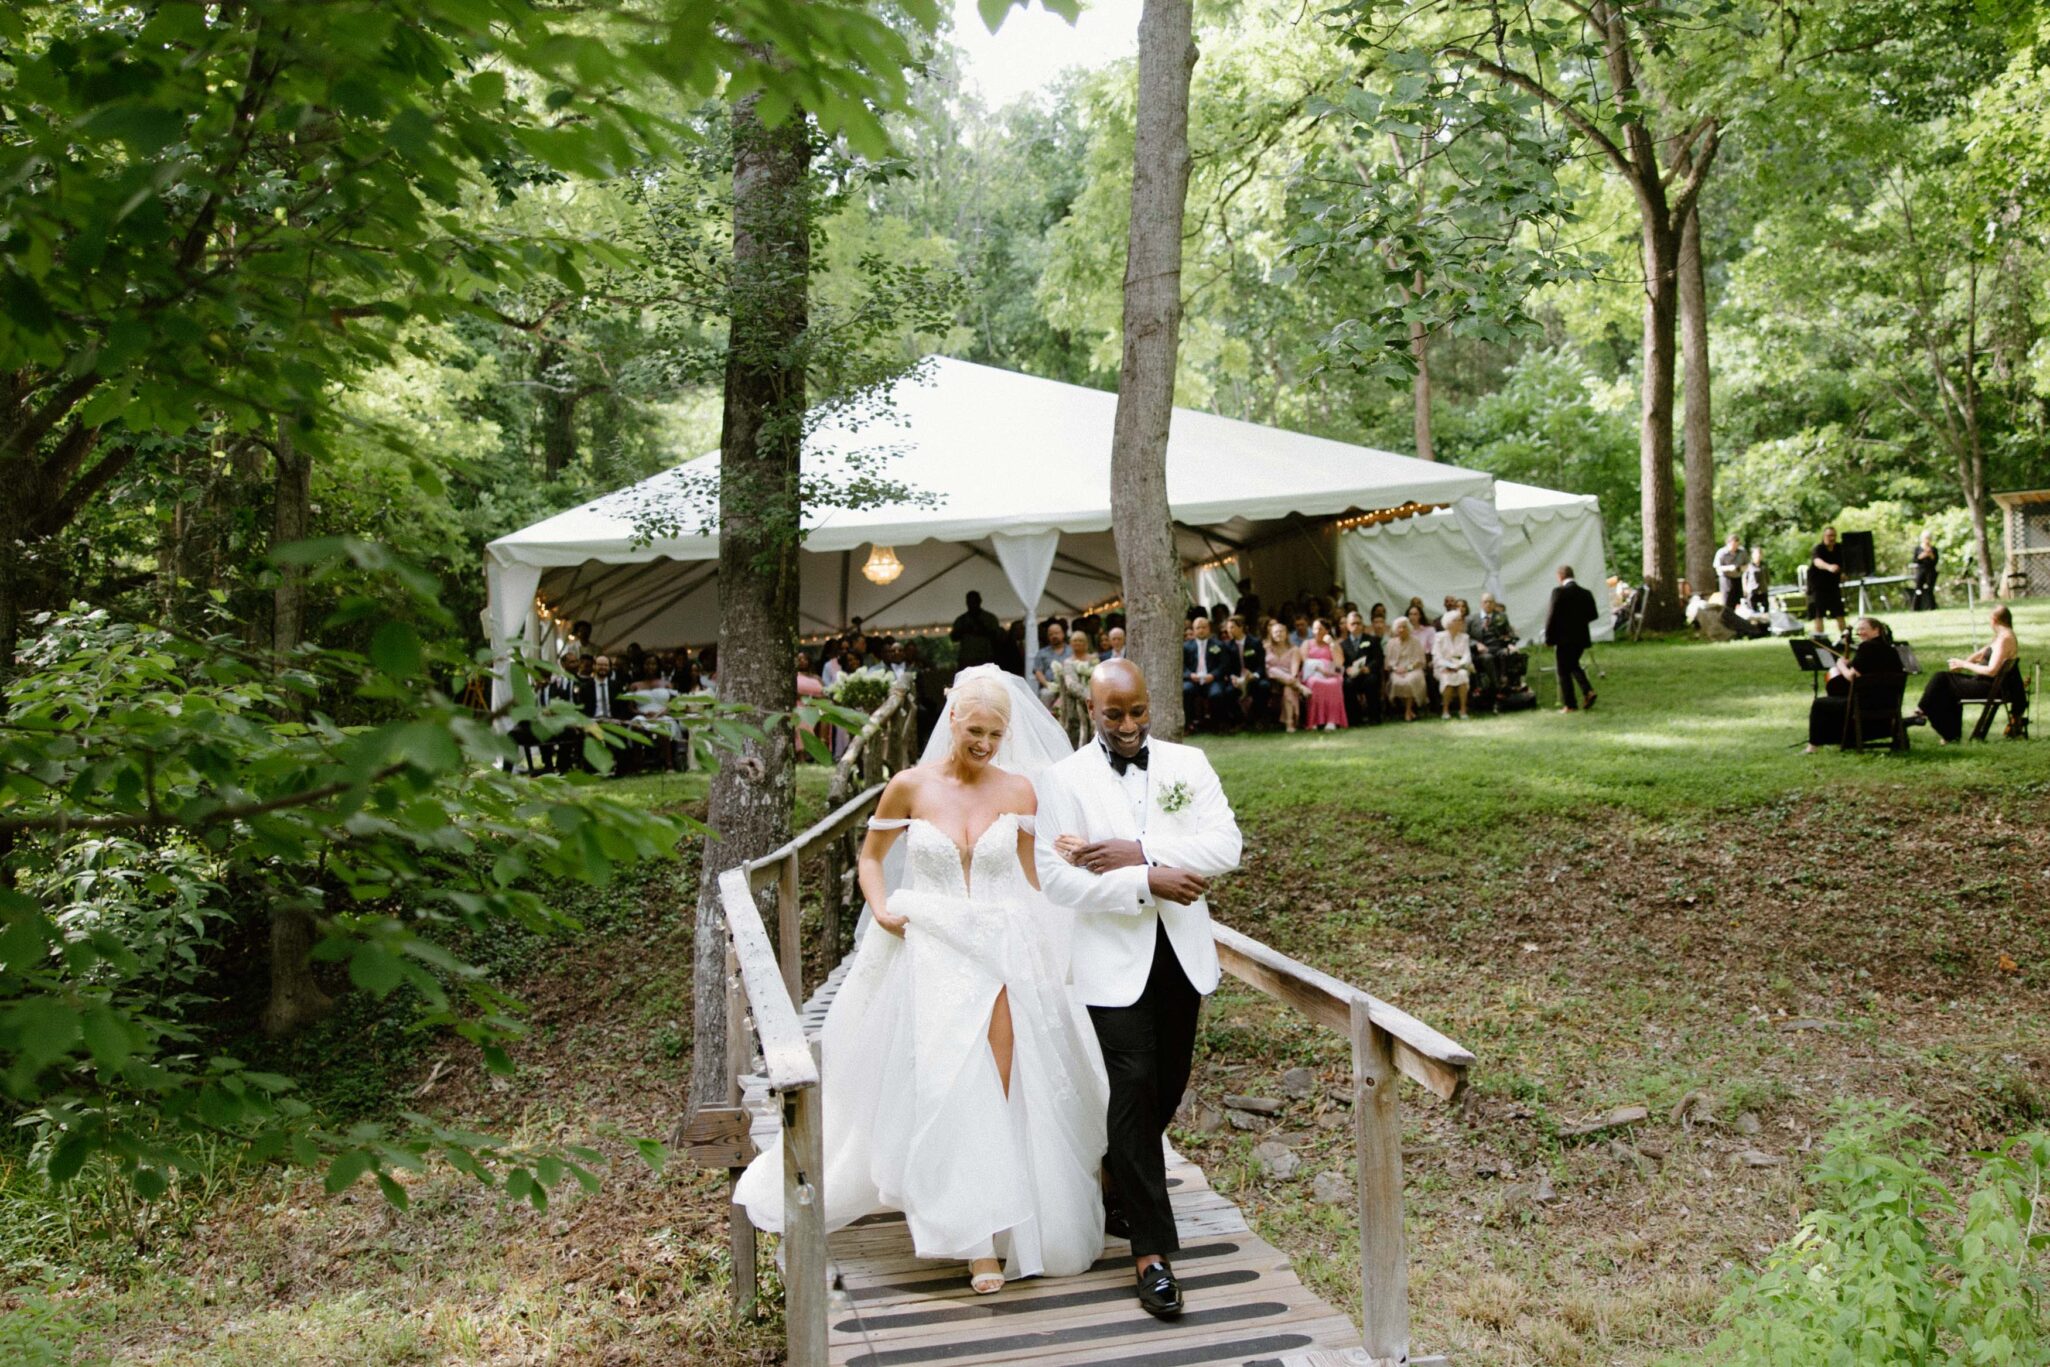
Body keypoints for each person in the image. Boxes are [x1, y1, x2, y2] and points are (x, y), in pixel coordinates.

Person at [734, 670, 1107, 1297]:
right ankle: (972, 1240)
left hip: (1000, 942)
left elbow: (1032, 873)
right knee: (945, 1078)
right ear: (952, 720)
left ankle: (1006, 1226)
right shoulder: (909, 786)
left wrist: (1074, 871)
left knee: (1002, 1076)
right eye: (975, 730)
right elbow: (871, 860)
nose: (985, 742)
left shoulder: (1019, 790)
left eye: (996, 733)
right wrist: (881, 908)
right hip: (930, 942)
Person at [1036, 660, 1244, 1320]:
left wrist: (1137, 849)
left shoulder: (1190, 763)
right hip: (1109, 958)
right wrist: (1145, 880)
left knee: (1169, 1083)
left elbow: (1226, 845)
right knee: (1131, 1079)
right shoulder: (1064, 780)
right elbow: (1057, 879)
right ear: (1090, 710)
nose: (1127, 726)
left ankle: (1115, 1174)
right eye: (1113, 714)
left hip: (1181, 952)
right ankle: (1152, 1255)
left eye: (1137, 712)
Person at [1909, 605, 2020, 744]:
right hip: (1988, 684)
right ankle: (1951, 735)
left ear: (1994, 620)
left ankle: (1921, 711)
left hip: (1990, 687)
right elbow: (1981, 653)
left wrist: (1964, 665)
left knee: (1941, 678)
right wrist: (1962, 663)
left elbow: (1992, 671)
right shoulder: (2002, 636)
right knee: (1945, 689)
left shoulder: (2005, 639)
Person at [1806, 617, 1904, 752]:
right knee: (1836, 699)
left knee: (1819, 703)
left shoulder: (1866, 647)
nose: (1859, 633)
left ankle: (1813, 746)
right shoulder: (1891, 651)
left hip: (1864, 703)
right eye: (1858, 630)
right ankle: (1845, 738)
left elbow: (1852, 676)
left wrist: (1840, 665)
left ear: (1877, 630)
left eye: (1863, 629)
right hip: (1889, 702)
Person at [1543, 566, 1599, 713]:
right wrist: (1579, 621)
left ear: (1560, 577)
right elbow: (1593, 615)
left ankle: (1570, 704)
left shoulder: (1558, 592)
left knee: (1563, 670)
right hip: (1581, 638)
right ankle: (1587, 691)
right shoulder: (1586, 593)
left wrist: (1549, 637)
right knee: (1573, 664)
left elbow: (1551, 616)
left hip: (1563, 639)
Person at [1181, 615, 1235, 729]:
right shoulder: (1185, 647)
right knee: (1186, 690)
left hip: (1212, 679)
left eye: (1204, 627)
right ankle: (1188, 724)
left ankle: (1216, 723)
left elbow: (1224, 665)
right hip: (1193, 680)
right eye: (1198, 628)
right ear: (1193, 630)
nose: (1201, 630)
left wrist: (1213, 675)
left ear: (1209, 628)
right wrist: (1190, 675)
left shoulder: (1219, 645)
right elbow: (1182, 666)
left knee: (1217, 694)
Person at [1301, 619, 1347, 731]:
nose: (1317, 631)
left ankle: (1332, 720)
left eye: (1320, 629)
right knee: (1315, 683)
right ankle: (1314, 721)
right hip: (1313, 673)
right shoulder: (1307, 643)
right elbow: (1304, 661)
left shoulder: (1333, 644)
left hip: (1330, 673)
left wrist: (1331, 644)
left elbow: (1339, 662)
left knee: (1334, 683)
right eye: (1315, 629)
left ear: (1327, 630)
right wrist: (1319, 669)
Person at [1470, 593, 1517, 704]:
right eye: (1485, 602)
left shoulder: (1501, 616)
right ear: (1481, 604)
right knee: (1487, 658)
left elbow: (1509, 634)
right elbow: (1466, 637)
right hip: (1482, 651)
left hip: (1498, 647)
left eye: (1491, 602)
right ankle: (1498, 687)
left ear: (1494, 603)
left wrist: (1510, 642)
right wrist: (1476, 644)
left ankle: (1505, 681)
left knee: (1506, 654)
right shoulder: (1472, 619)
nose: (1488, 604)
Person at [1338, 609, 1382, 725]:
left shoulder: (1372, 640)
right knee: (1347, 684)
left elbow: (1378, 659)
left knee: (1371, 681)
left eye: (1358, 623)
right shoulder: (1343, 645)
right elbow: (1341, 662)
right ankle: (1354, 719)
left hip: (1367, 673)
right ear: (1347, 626)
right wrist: (1347, 669)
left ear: (1362, 625)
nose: (1356, 626)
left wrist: (1369, 668)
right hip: (1353, 676)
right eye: (1353, 623)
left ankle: (1374, 717)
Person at [1262, 618, 1307, 732]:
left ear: (1287, 634)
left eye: (1281, 631)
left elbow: (1294, 670)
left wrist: (1290, 679)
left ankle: (1289, 723)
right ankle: (1300, 688)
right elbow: (1266, 668)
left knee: (1288, 688)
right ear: (1271, 634)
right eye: (1276, 632)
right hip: (1271, 679)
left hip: (1290, 679)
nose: (1279, 634)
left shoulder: (1294, 649)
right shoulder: (1266, 648)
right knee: (1273, 670)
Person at [1056, 629, 1098, 746]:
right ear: (1070, 644)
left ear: (1086, 643)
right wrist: (1089, 695)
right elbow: (1071, 685)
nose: (1077, 643)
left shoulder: (1094, 660)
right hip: (1075, 705)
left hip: (1094, 702)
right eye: (1075, 640)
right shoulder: (1067, 663)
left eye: (1080, 640)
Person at [1225, 615, 1268, 725]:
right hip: (1237, 679)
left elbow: (1261, 664)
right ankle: (1239, 720)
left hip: (1253, 677)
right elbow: (1227, 666)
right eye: (1228, 628)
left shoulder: (1255, 642)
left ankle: (1257, 718)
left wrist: (1255, 675)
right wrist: (1232, 677)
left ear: (1241, 627)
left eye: (1232, 627)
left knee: (1263, 686)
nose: (1229, 630)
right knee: (1229, 691)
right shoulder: (1228, 646)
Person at [1433, 610, 1475, 720]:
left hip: (1460, 666)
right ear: (1449, 623)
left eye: (1461, 620)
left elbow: (1467, 655)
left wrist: (1459, 665)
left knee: (1462, 676)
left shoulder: (1464, 637)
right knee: (1447, 678)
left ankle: (1463, 709)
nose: (1460, 622)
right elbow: (1437, 657)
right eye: (1457, 620)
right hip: (1443, 667)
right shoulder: (1439, 637)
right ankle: (1445, 710)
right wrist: (1450, 666)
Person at [1384, 616, 1427, 722]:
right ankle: (1408, 710)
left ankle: (1408, 710)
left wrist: (1407, 669)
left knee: (1410, 681)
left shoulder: (1415, 641)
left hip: (1413, 669)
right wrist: (1396, 669)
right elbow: (1388, 662)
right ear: (1395, 629)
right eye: (1399, 627)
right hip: (1397, 670)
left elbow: (1420, 661)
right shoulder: (1391, 643)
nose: (1401, 629)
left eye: (1404, 627)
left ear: (1409, 628)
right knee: (1398, 682)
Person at [1807, 527, 1848, 638]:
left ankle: (1845, 639)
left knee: (1839, 612)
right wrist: (1828, 567)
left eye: (1834, 535)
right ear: (1824, 536)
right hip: (1818, 586)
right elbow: (1817, 561)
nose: (1832, 538)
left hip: (1833, 586)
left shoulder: (1840, 549)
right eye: (1829, 536)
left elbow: (1845, 563)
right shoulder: (1818, 549)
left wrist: (1843, 573)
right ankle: (1820, 638)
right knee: (1819, 613)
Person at [950, 591, 1004, 670]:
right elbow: (953, 638)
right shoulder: (961, 620)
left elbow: (998, 637)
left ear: (979, 601)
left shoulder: (989, 618)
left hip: (986, 658)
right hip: (967, 659)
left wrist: (983, 630)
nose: (972, 604)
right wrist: (964, 630)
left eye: (974, 601)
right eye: (970, 601)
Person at [1032, 621, 1073, 708]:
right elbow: (1038, 671)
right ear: (1048, 637)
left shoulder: (1072, 650)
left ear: (1063, 634)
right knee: (1045, 694)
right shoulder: (1042, 653)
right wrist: (1048, 685)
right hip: (1050, 686)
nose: (1054, 636)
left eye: (1057, 633)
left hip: (1070, 686)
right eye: (1051, 634)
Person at [1911, 533, 1939, 612]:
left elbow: (1935, 561)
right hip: (1920, 570)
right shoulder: (1918, 549)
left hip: (1931, 571)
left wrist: (1930, 555)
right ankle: (1916, 608)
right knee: (1918, 589)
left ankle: (1931, 607)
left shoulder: (1933, 549)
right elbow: (1915, 560)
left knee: (1930, 589)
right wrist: (1922, 555)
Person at [1714, 533, 1743, 604]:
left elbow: (1747, 565)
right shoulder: (1721, 552)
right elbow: (1717, 567)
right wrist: (1729, 568)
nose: (1735, 547)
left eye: (1737, 545)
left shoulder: (1742, 552)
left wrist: (1739, 568)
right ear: (1728, 543)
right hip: (1726, 579)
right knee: (1727, 601)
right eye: (1733, 545)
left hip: (1738, 579)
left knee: (1738, 602)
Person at [1743, 548, 1769, 613]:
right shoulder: (1749, 566)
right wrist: (1745, 589)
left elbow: (1767, 577)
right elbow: (1745, 578)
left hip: (1763, 590)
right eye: (1757, 554)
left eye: (1760, 554)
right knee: (1752, 610)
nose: (1758, 556)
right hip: (1752, 590)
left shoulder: (1764, 565)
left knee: (1765, 608)